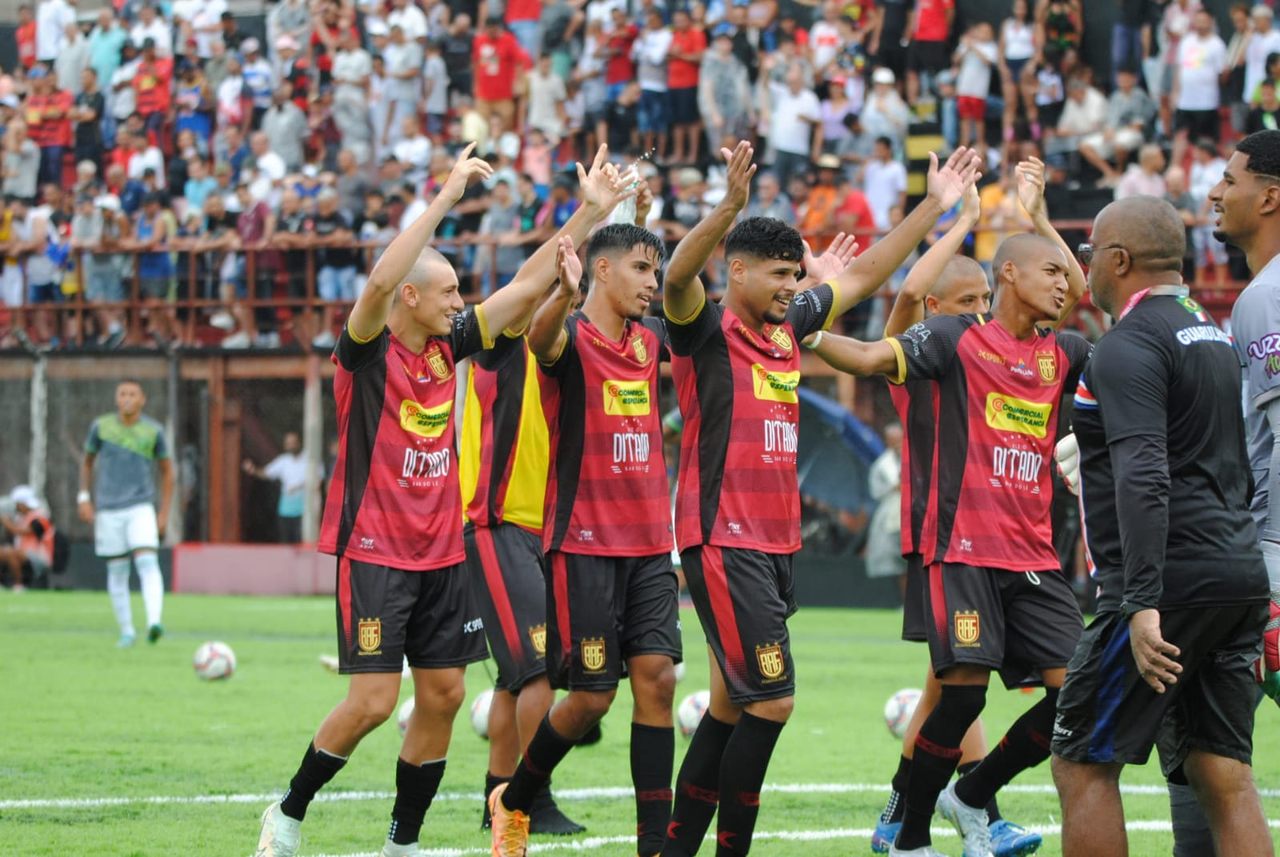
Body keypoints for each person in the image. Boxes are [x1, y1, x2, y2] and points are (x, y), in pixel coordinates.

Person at [253, 143, 635, 857]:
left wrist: (589, 215)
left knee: (444, 697)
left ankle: (403, 842)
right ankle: (288, 811)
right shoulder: (365, 352)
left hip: (442, 550)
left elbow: (523, 287)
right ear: (410, 298)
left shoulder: (446, 346)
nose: (460, 301)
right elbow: (377, 280)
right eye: (449, 290)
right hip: (373, 549)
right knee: (370, 702)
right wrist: (447, 194)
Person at [653, 144, 975, 857]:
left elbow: (863, 273)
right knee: (773, 700)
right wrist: (727, 210)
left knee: (733, 707)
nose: (791, 287)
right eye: (778, 274)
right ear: (736, 271)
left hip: (774, 543)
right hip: (723, 536)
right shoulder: (704, 329)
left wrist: (933, 205)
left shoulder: (786, 325)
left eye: (796, 276)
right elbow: (678, 274)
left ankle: (670, 850)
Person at [806, 227, 1091, 857]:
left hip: (1034, 555)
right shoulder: (945, 345)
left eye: (982, 296)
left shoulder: (1063, 351)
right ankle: (911, 833)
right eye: (1049, 270)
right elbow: (876, 343)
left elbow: (1086, 295)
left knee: (1080, 690)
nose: (1063, 282)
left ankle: (966, 798)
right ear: (1014, 274)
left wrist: (1043, 220)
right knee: (960, 689)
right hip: (954, 545)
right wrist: (803, 326)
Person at [1052, 193, 1272, 857]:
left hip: (1163, 583)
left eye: (1090, 254)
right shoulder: (1212, 333)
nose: (1085, 267)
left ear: (1118, 260)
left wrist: (1142, 602)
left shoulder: (1127, 345)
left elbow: (1144, 476)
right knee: (1221, 769)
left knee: (1083, 761)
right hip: (1236, 574)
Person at [460, 178, 651, 846]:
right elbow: (536, 273)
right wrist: (592, 211)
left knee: (526, 672)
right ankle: (531, 801)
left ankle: (497, 792)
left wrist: (628, 221)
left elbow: (611, 292)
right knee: (538, 668)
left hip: (551, 525)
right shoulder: (502, 332)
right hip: (498, 519)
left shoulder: (571, 340)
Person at [78, 379, 174, 648]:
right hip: (108, 508)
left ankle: (154, 621)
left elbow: (168, 472)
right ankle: (127, 631)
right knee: (117, 570)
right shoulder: (101, 427)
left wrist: (164, 512)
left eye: (133, 394)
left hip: (141, 506)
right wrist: (84, 497)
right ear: (116, 399)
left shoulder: (153, 431)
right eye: (123, 393)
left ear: (143, 399)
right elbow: (87, 463)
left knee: (146, 562)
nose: (128, 398)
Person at [242, 432, 307, 544]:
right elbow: (266, 473)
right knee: (286, 543)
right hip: (286, 510)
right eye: (288, 443)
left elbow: (318, 479)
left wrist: (299, 487)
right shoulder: (283, 461)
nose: (291, 446)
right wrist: (253, 470)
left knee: (302, 543)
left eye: (293, 443)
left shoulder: (308, 459)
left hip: (304, 511)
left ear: (299, 443)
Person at [0, 485, 53, 589]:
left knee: (11, 553)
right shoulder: (19, 518)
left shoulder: (40, 517)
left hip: (40, 557)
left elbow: (23, 531)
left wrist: (6, 521)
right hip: (22, 554)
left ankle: (19, 586)